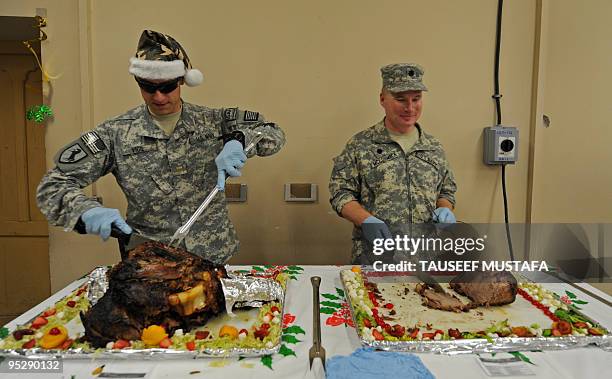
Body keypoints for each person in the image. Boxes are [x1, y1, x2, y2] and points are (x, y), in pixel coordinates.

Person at [36, 30, 285, 264]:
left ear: (182, 81)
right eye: (148, 87)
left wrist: (239, 140)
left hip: (212, 254)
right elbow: (52, 186)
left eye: (167, 87)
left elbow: (273, 132)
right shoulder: (115, 133)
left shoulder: (214, 121)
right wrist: (86, 211)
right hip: (148, 260)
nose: (159, 97)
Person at [329, 63, 456, 263]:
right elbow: (340, 194)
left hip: (427, 259)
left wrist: (445, 208)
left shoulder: (433, 147)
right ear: (382, 99)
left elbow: (445, 192)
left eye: (416, 99)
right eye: (400, 99)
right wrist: (366, 220)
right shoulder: (361, 144)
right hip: (376, 257)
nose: (410, 108)